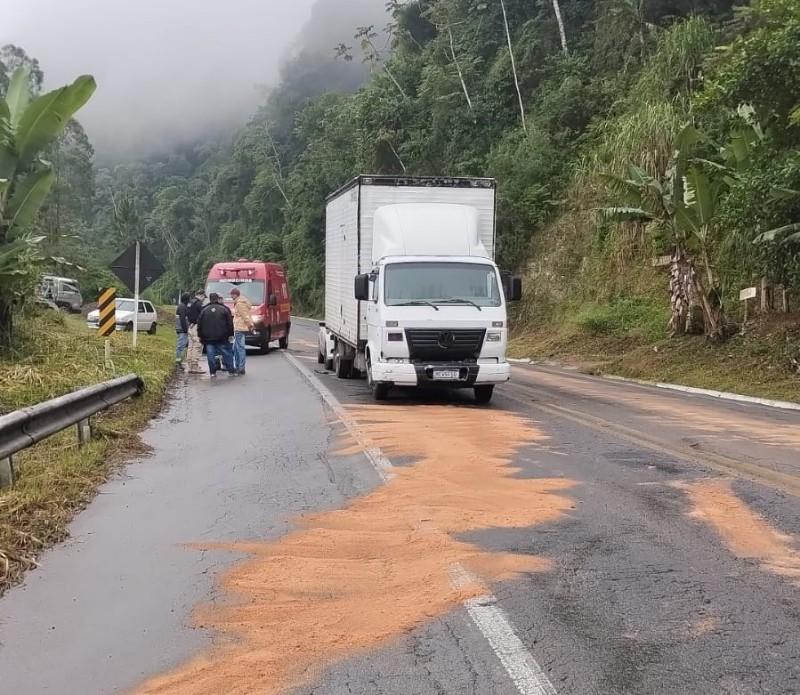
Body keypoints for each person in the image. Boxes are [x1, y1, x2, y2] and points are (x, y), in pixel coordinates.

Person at [197, 293, 236, 377]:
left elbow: (199, 324)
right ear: (217, 299)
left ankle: (212, 372)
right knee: (227, 354)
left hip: (208, 338)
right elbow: (230, 324)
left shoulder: (204, 310)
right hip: (222, 337)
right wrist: (230, 334)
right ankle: (231, 371)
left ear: (210, 299)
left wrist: (200, 336)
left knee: (211, 356)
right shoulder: (224, 309)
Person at [230, 287, 254, 375]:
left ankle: (241, 367)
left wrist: (250, 325)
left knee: (239, 348)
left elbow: (245, 316)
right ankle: (238, 366)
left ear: (235, 295)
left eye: (231, 294)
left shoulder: (239, 303)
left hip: (239, 328)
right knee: (236, 348)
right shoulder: (240, 302)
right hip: (239, 327)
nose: (231, 296)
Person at [185, 289, 206, 374]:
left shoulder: (190, 302)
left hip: (190, 326)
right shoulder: (199, 304)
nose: (204, 299)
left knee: (191, 346)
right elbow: (202, 315)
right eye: (204, 297)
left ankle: (190, 364)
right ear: (201, 295)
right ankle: (195, 365)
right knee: (197, 345)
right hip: (196, 327)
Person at [174, 292, 191, 366]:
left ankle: (180, 360)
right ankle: (178, 361)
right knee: (181, 346)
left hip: (181, 329)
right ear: (187, 299)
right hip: (182, 329)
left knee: (184, 345)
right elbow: (183, 320)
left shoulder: (182, 306)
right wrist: (186, 330)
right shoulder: (182, 307)